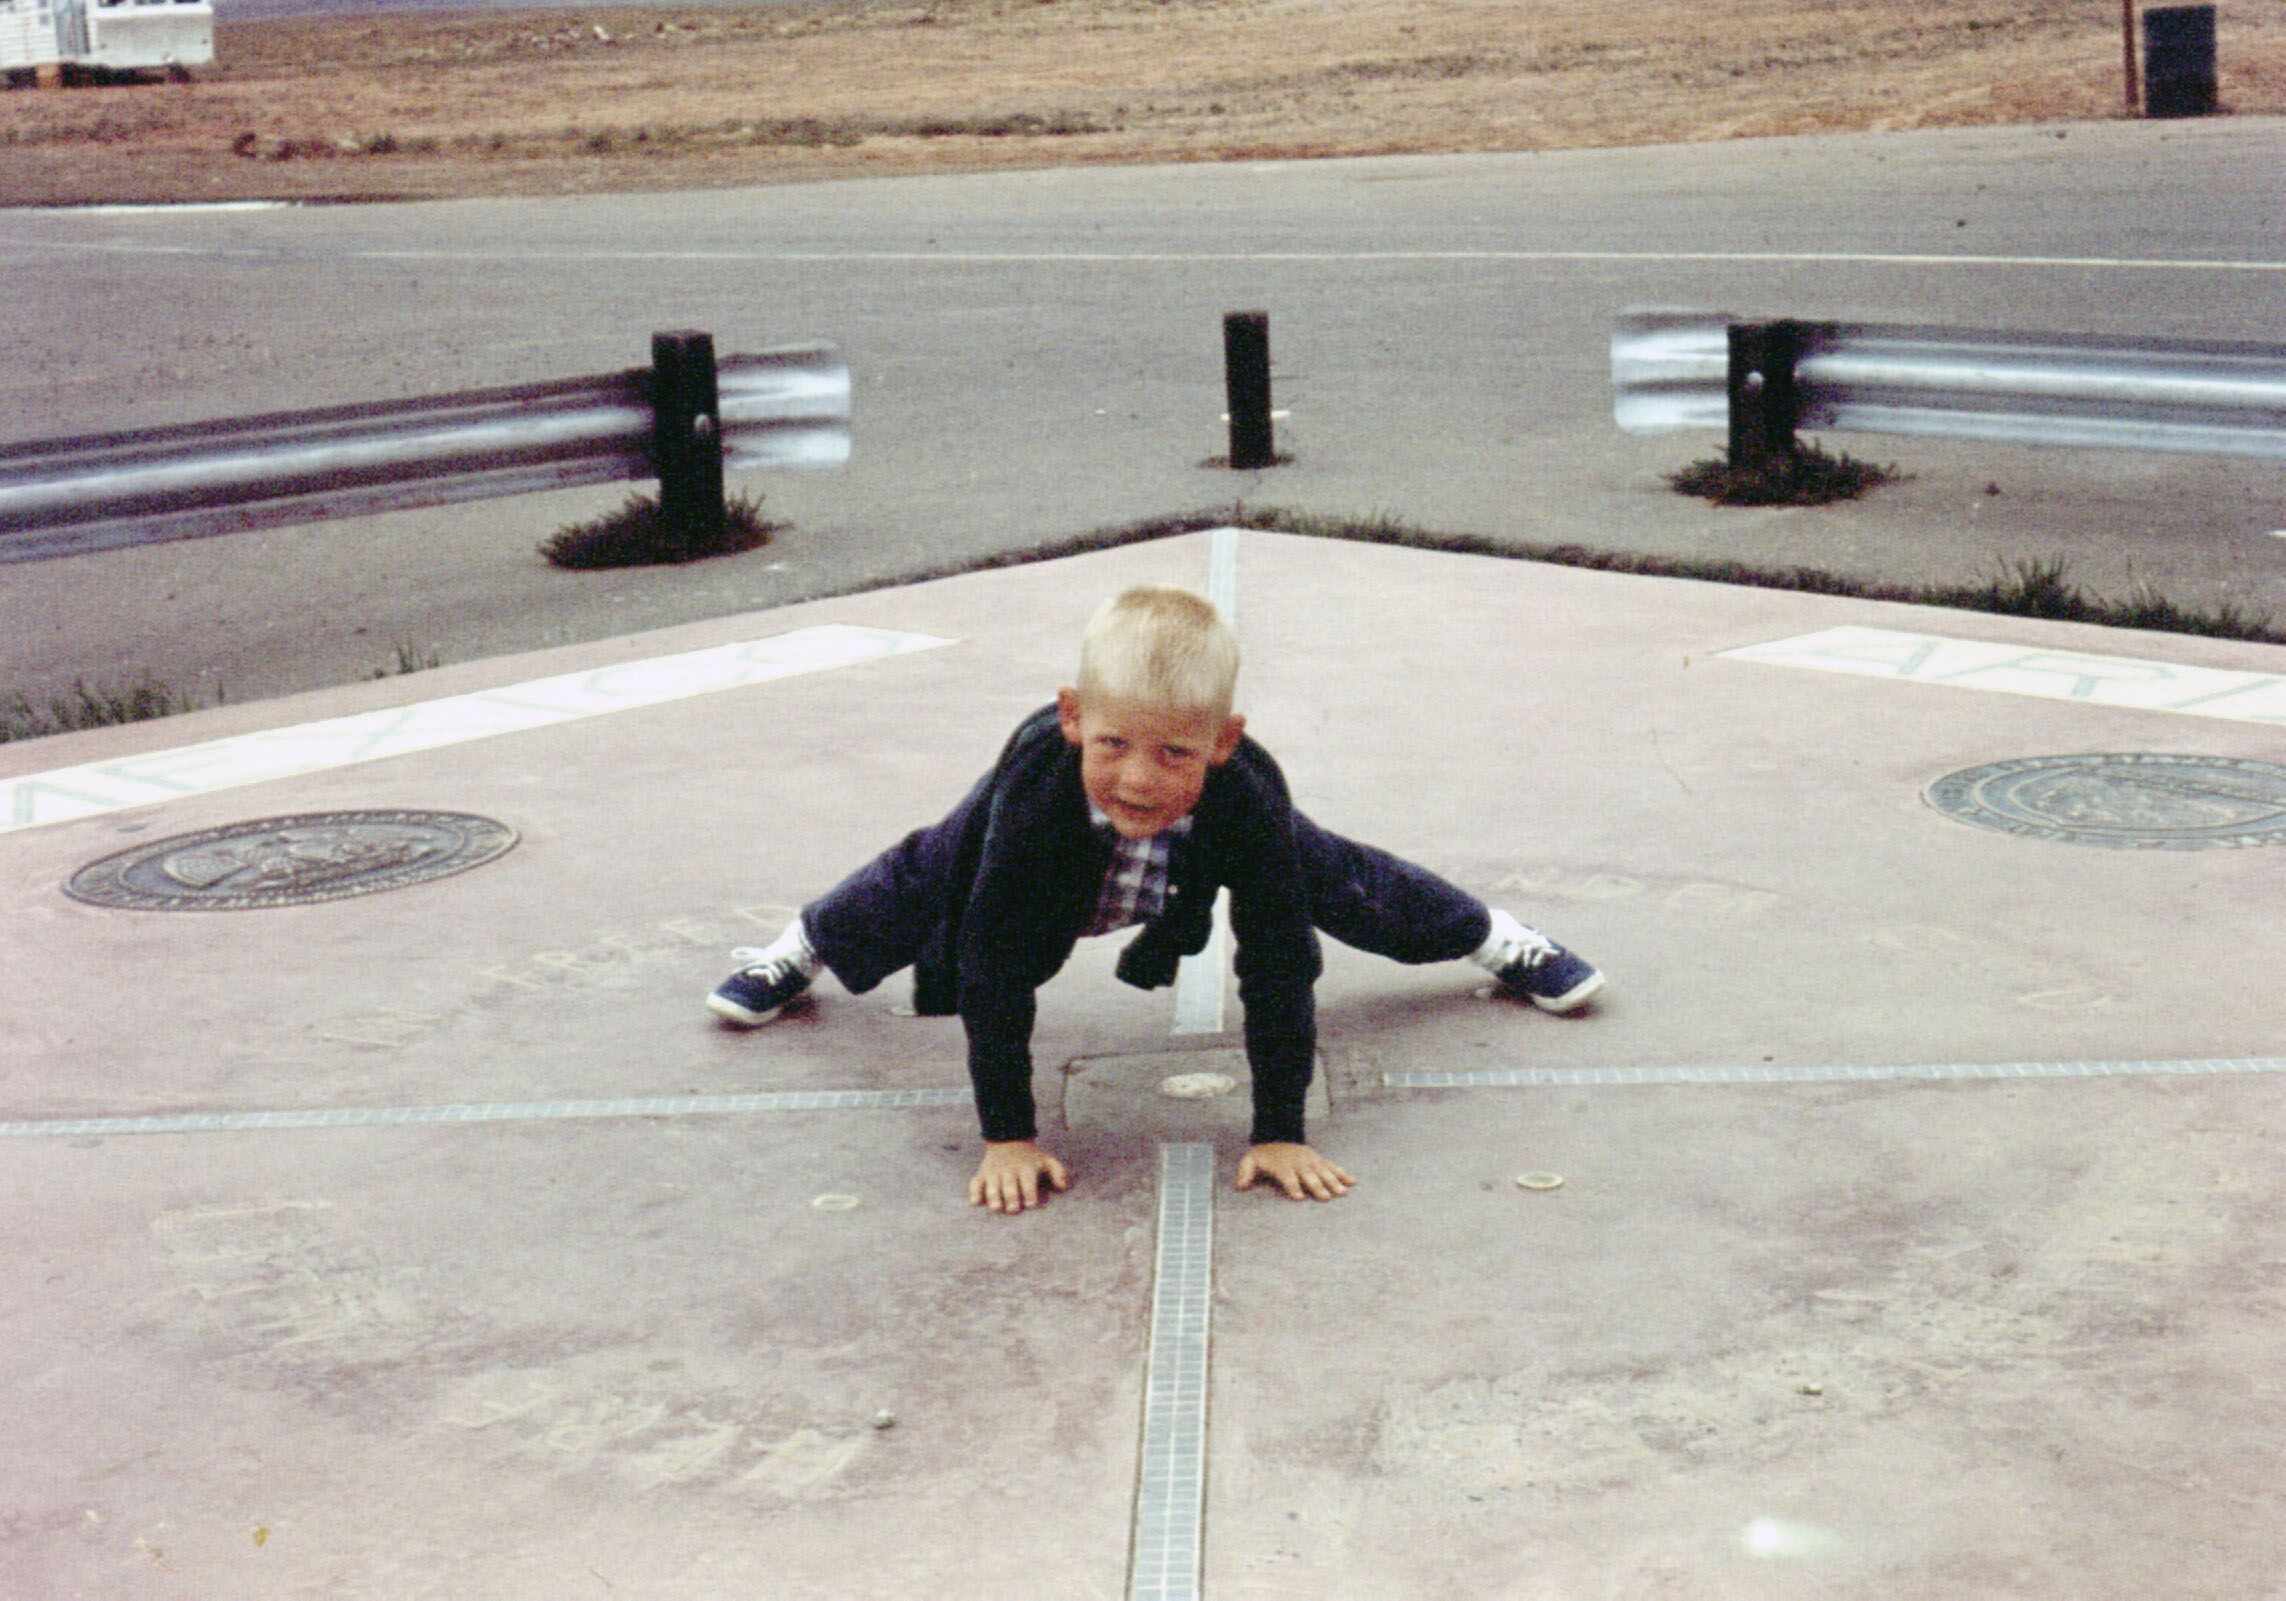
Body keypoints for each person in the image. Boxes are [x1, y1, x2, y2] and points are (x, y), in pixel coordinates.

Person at [707, 584, 1603, 1214]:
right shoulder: (1036, 794)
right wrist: (1008, 1136)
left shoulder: (1247, 793)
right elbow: (992, 965)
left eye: (1175, 751)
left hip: (1192, 856)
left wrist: (1280, 1127)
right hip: (1055, 860)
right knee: (929, 868)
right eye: (1114, 742)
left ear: (1223, 741)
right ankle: (798, 948)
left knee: (1341, 875)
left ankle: (1496, 936)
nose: (1139, 777)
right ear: (1071, 718)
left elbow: (1279, 958)